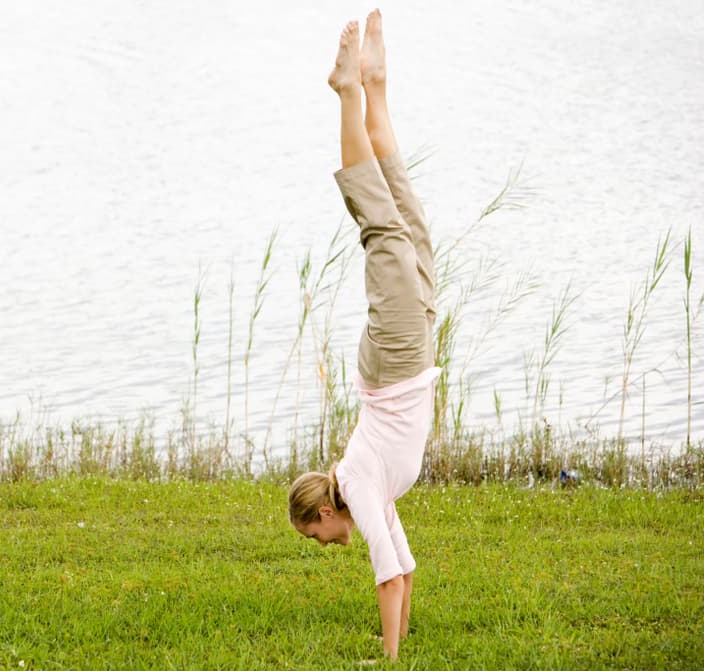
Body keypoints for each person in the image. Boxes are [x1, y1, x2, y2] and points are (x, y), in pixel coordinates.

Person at [287, 9, 441, 661]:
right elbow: (403, 571)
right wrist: (401, 644)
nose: (326, 544)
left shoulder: (359, 485)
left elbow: (383, 573)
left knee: (381, 227)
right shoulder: (370, 489)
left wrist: (387, 661)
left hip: (397, 363)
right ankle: (375, 85)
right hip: (415, 357)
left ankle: (347, 91)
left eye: (316, 536)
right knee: (406, 215)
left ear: (322, 513)